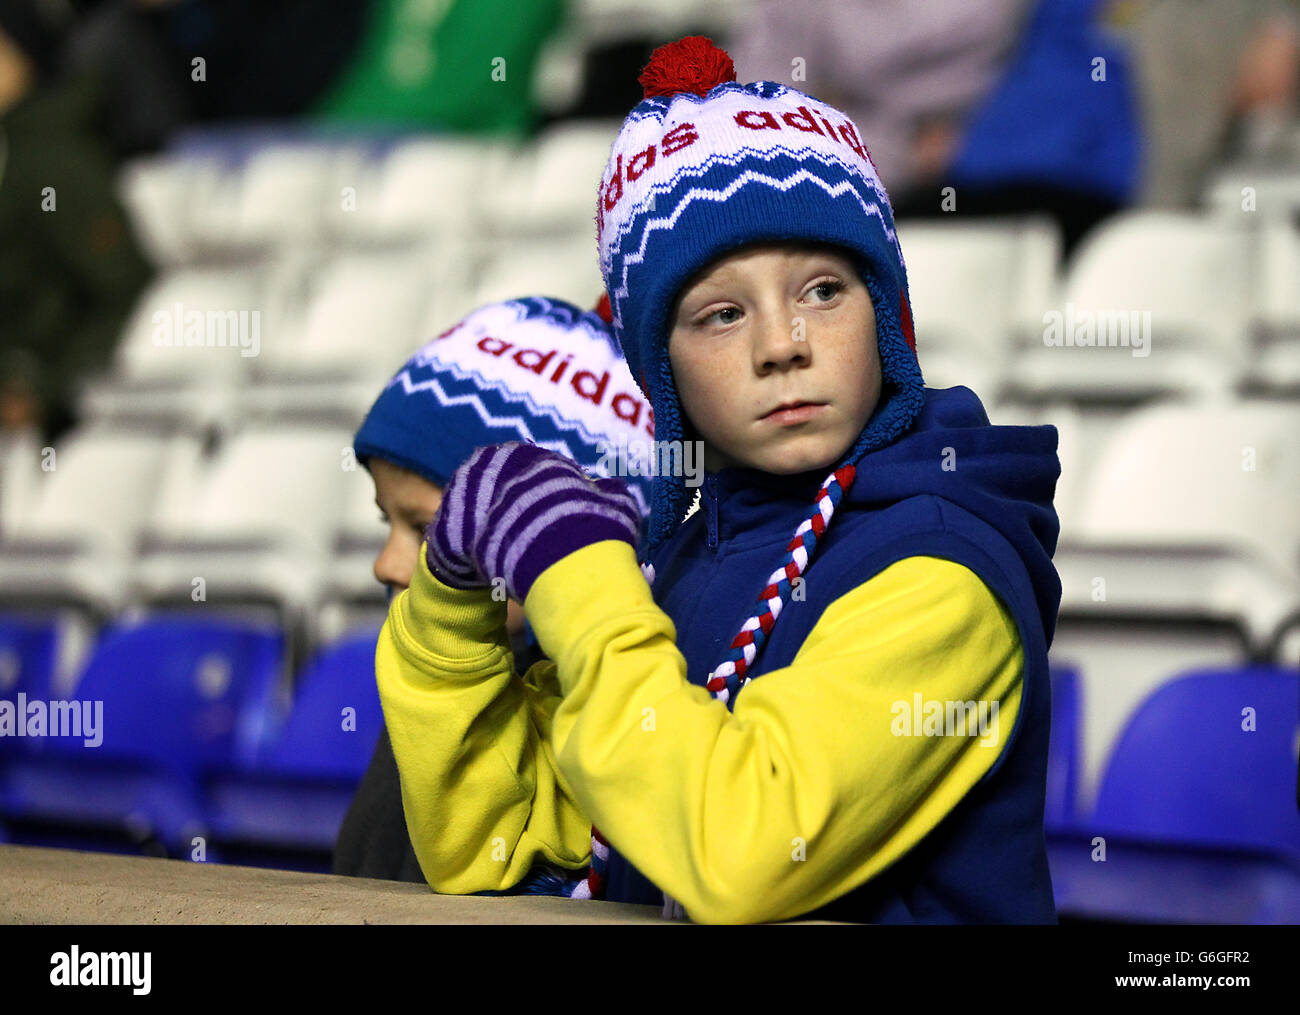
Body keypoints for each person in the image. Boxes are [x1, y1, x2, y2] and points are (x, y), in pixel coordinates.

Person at [378, 37, 1063, 923]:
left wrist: (578, 572)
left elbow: (747, 850)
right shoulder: (690, 558)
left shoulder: (942, 575)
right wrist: (449, 605)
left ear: (886, 315)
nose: (783, 344)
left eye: (823, 290)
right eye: (722, 313)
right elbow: (501, 853)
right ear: (660, 372)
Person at [333, 294, 654, 886]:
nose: (384, 564)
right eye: (387, 522)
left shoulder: (595, 730)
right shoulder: (432, 691)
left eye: (427, 529)